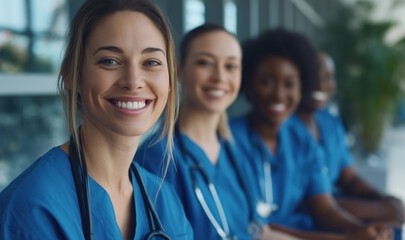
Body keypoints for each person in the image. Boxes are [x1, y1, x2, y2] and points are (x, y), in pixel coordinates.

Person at [0, 0, 193, 239]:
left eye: (151, 62)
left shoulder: (163, 200)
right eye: (110, 61)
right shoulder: (33, 208)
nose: (133, 81)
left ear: (171, 78)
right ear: (72, 74)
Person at [136, 23, 298, 240]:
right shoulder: (155, 159)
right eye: (205, 63)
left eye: (231, 66)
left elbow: (259, 232)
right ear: (179, 69)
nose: (219, 77)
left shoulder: (237, 150)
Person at [230, 28, 392, 240]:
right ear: (248, 84)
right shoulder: (229, 140)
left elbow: (325, 209)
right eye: (267, 82)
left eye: (290, 84)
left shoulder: (301, 139)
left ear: (302, 87)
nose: (279, 94)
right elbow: (252, 228)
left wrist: (359, 229)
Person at [290, 51, 404, 237]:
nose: (321, 84)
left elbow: (349, 178)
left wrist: (384, 200)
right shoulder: (286, 129)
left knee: (390, 228)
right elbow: (307, 202)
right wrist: (375, 210)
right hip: (308, 217)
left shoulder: (329, 121)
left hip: (334, 207)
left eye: (328, 77)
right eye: (313, 76)